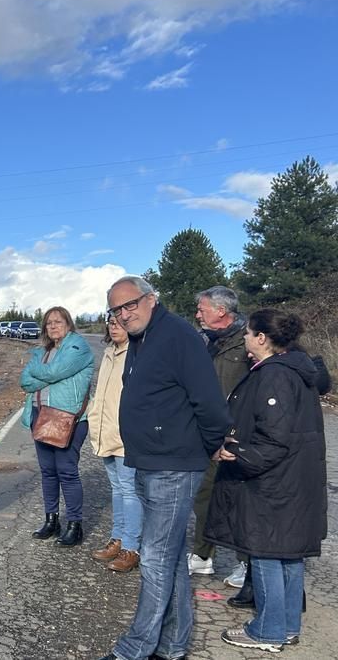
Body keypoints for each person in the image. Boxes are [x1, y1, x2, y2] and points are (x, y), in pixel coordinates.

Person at [97, 276, 230, 660]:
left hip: (173, 465)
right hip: (149, 461)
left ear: (151, 300)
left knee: (153, 557)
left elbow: (211, 405)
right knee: (168, 559)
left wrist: (198, 451)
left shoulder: (177, 336)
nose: (123, 314)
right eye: (116, 309)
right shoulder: (142, 340)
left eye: (130, 305)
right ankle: (172, 646)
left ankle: (135, 649)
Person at [204, 309, 327, 653]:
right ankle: (286, 625)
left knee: (267, 552)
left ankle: (268, 630)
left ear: (261, 338)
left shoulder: (274, 375)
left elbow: (273, 438)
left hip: (273, 482)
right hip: (292, 478)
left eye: (248, 333)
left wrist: (235, 454)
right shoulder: (294, 368)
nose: (243, 338)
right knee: (288, 554)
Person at [187, 286, 252, 597]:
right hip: (210, 435)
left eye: (202, 309)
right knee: (205, 497)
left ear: (221, 312)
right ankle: (203, 556)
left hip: (240, 437)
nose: (198, 314)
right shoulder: (205, 342)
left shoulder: (251, 341)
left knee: (241, 503)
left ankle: (247, 563)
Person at [20, 306, 94, 547]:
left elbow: (55, 371)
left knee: (67, 471)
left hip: (67, 418)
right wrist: (43, 375)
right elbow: (24, 380)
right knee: (48, 471)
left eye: (58, 322)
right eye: (49, 323)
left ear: (69, 323)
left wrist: (39, 373)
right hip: (40, 415)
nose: (53, 326)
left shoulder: (78, 346)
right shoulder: (43, 351)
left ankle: (75, 524)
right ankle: (51, 520)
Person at [86, 315, 141, 572]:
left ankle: (132, 547)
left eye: (120, 322)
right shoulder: (110, 351)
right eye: (111, 322)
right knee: (118, 490)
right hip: (106, 432)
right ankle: (117, 540)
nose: (114, 326)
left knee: (130, 492)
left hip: (127, 435)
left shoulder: (138, 353)